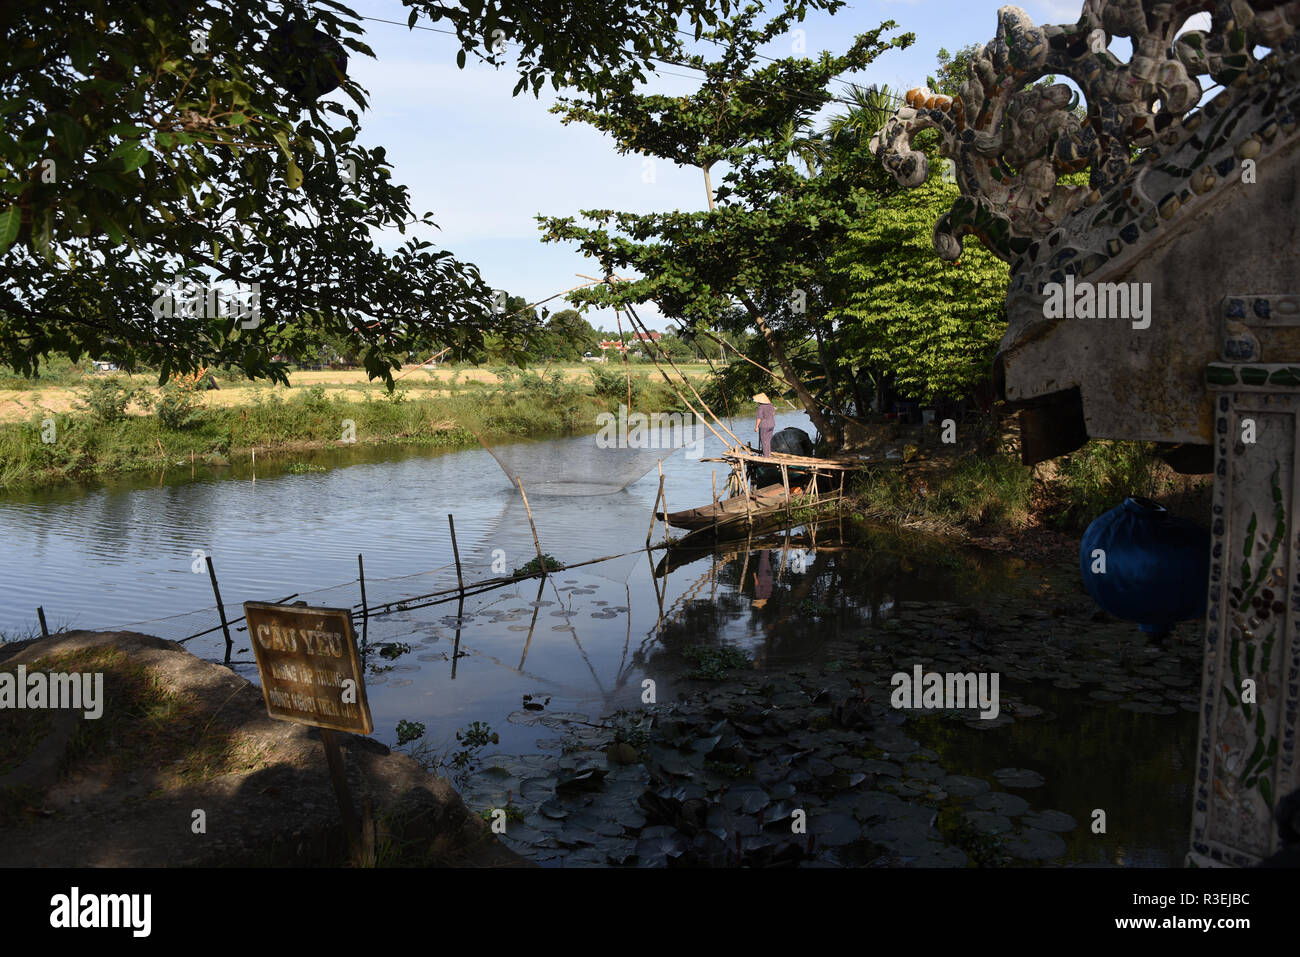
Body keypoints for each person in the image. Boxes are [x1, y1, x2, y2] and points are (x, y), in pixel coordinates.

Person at [753, 392, 775, 457]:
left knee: (764, 440)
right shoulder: (771, 405)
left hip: (764, 426)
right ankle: (769, 454)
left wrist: (756, 427)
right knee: (768, 440)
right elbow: (773, 413)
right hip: (772, 424)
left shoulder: (761, 407)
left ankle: (766, 456)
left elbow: (759, 418)